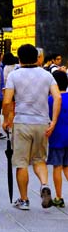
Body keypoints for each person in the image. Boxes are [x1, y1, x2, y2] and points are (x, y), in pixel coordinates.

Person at [3, 44, 61, 211]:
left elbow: (7, 101)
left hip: (22, 122)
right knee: (39, 160)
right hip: (42, 123)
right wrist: (54, 121)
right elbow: (57, 98)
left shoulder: (14, 75)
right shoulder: (47, 75)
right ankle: (44, 185)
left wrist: (7, 119)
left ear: (19, 58)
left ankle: (24, 199)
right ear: (37, 57)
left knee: (21, 163)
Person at [46, 71, 68, 207]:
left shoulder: (51, 100)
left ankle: (59, 197)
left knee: (57, 167)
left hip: (56, 137)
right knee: (67, 166)